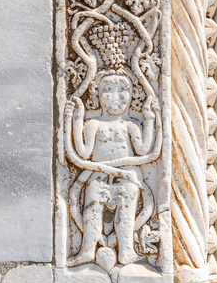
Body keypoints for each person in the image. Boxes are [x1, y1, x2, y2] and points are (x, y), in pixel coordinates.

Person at [64, 72, 159, 266]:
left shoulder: (131, 125)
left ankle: (127, 251)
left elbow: (144, 151)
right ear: (97, 96)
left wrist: (149, 119)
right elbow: (82, 154)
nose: (115, 97)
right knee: (91, 211)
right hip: (98, 177)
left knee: (125, 216)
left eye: (122, 90)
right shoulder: (93, 124)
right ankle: (87, 250)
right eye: (107, 91)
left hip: (126, 179)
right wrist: (75, 119)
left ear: (132, 95)